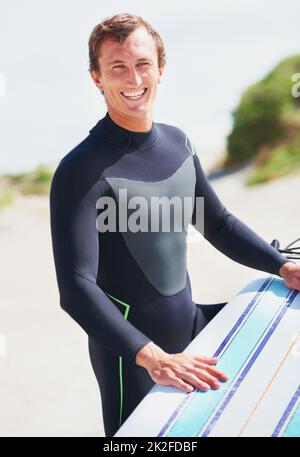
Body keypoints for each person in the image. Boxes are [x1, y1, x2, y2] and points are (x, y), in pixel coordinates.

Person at [49, 13, 300, 437]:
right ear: (96, 78)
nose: (134, 78)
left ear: (160, 69)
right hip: (134, 363)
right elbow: (76, 287)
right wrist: (152, 358)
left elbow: (217, 224)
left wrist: (281, 266)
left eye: (143, 64)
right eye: (117, 67)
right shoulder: (80, 170)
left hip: (195, 331)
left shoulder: (178, 143)